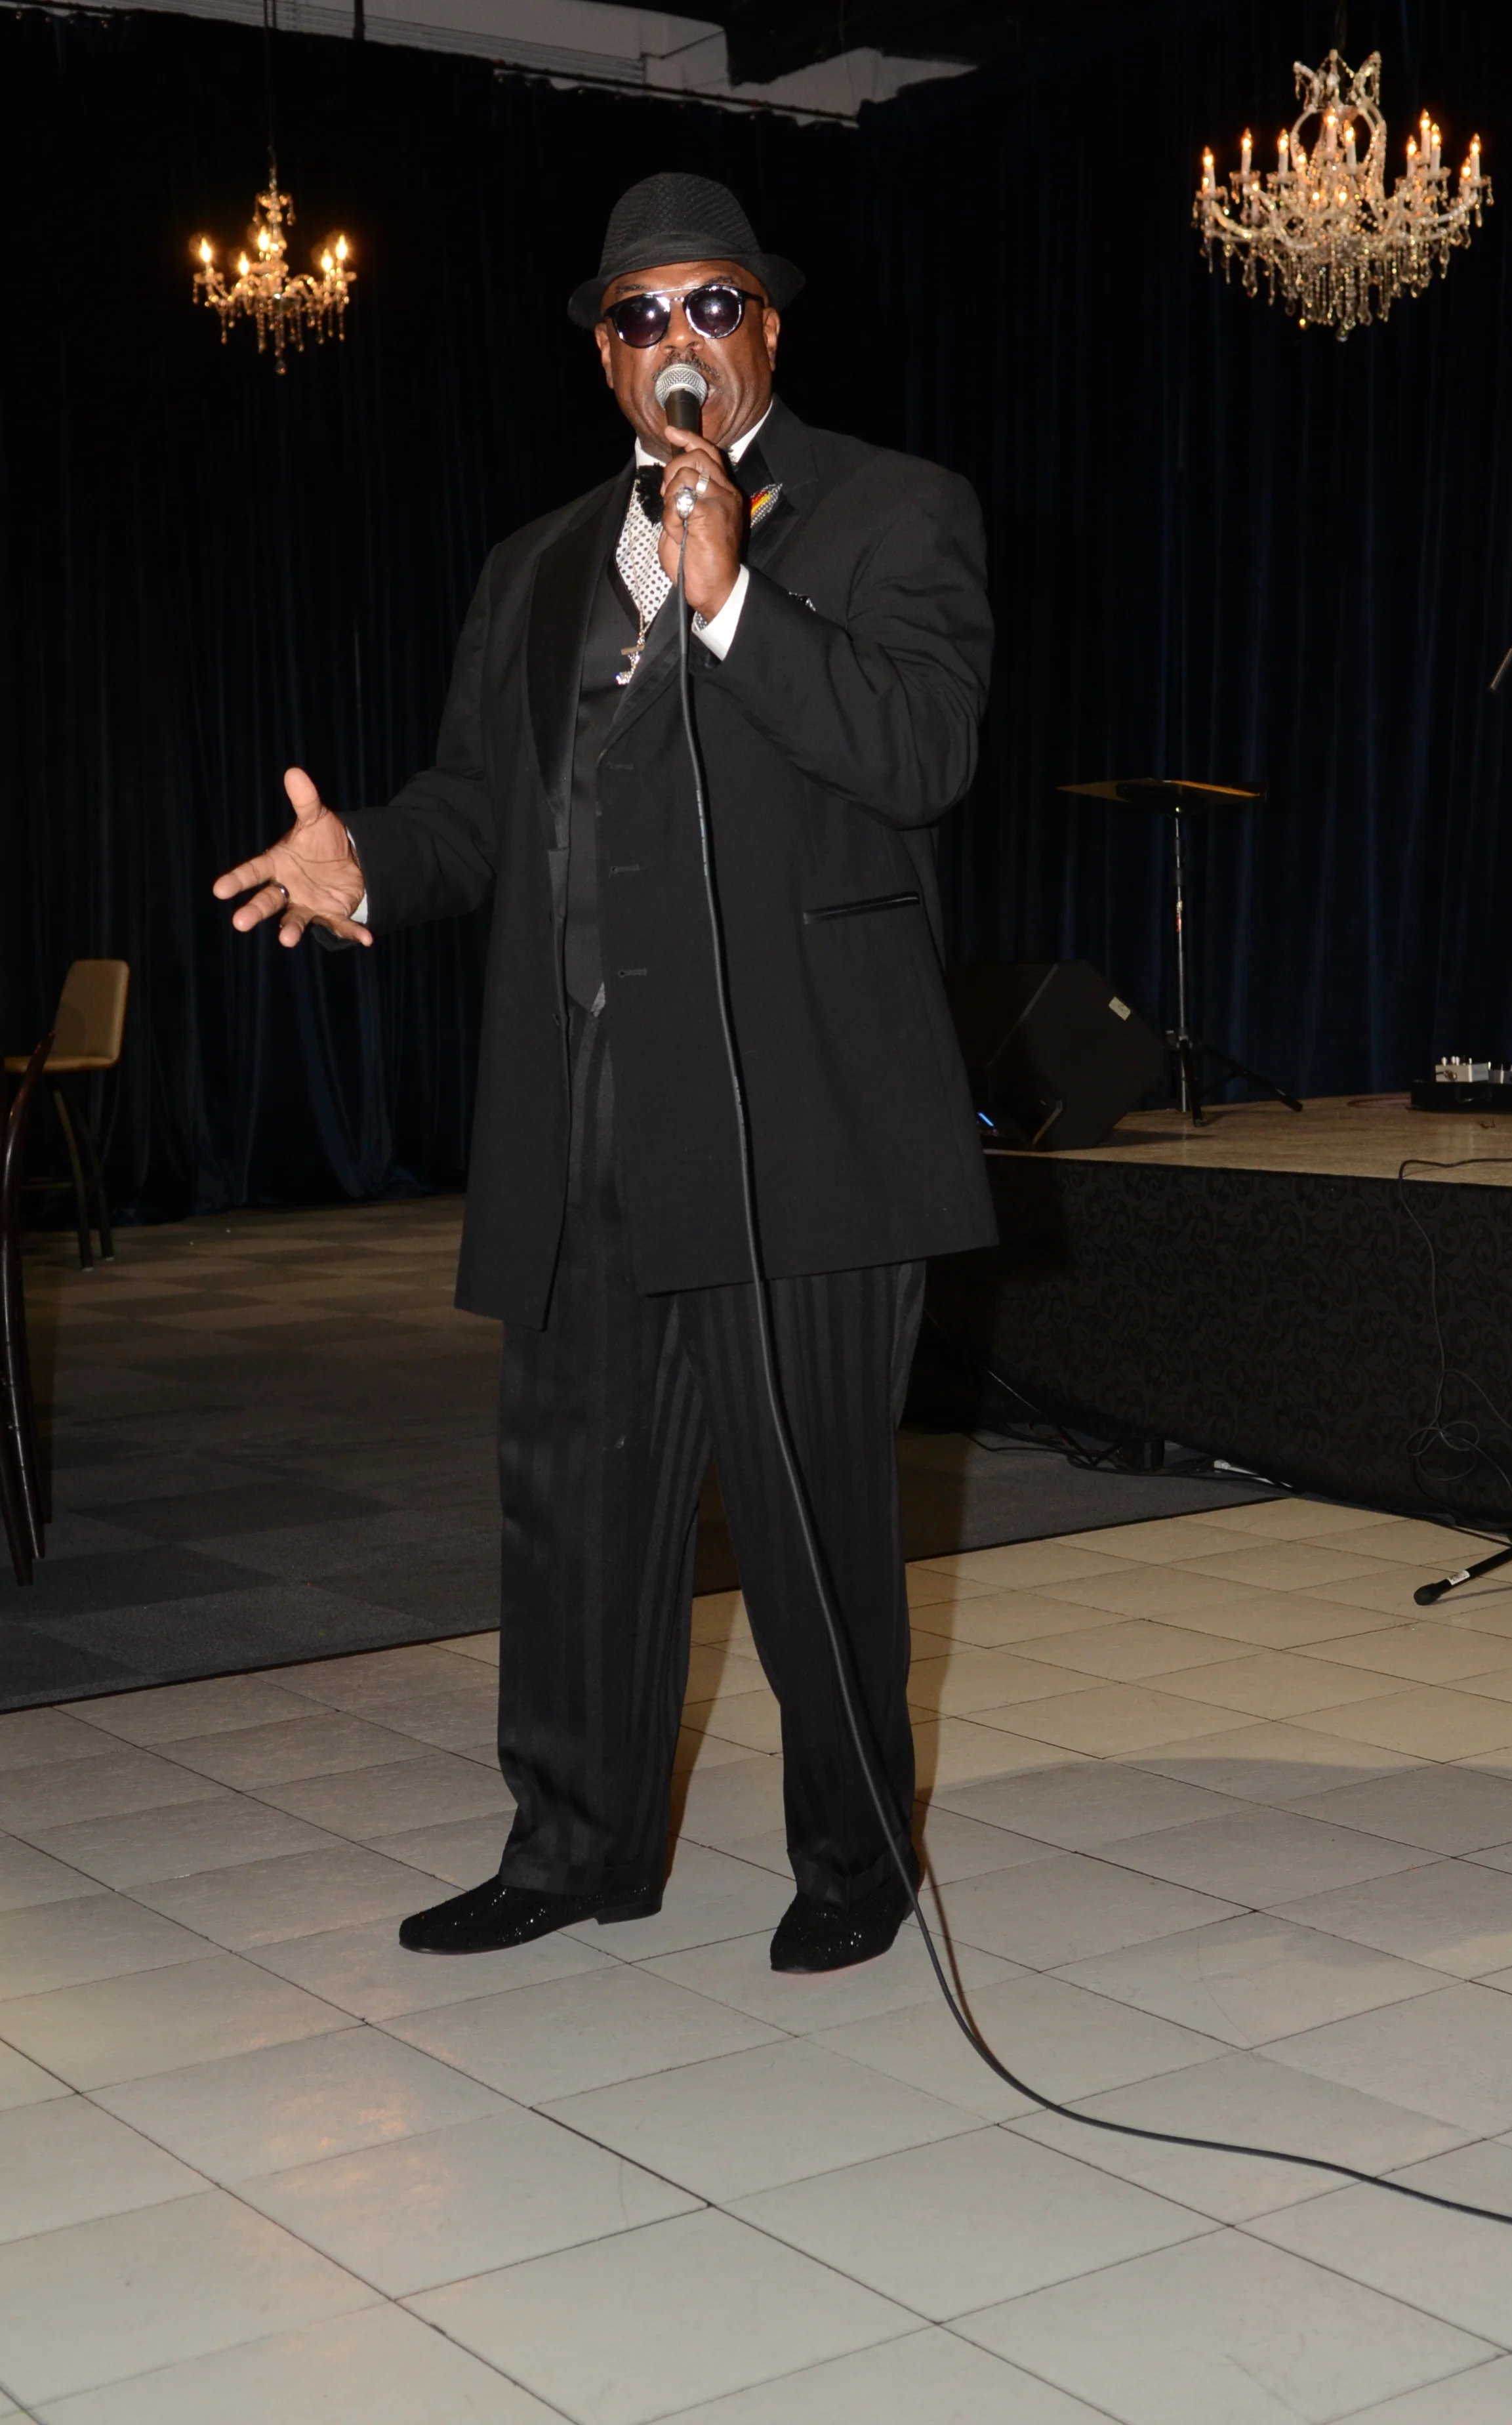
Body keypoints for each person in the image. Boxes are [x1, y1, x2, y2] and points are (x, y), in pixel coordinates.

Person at [214, 172, 994, 1973]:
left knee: (813, 1519)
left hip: (799, 1122)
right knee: (573, 1507)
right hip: (578, 1115)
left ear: (766, 329)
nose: (675, 340)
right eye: (638, 318)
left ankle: (854, 1861)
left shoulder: (894, 510)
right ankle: (573, 1845)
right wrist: (366, 863)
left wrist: (736, 603)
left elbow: (922, 752)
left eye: (710, 305)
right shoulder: (537, 564)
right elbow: (480, 809)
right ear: (604, 355)